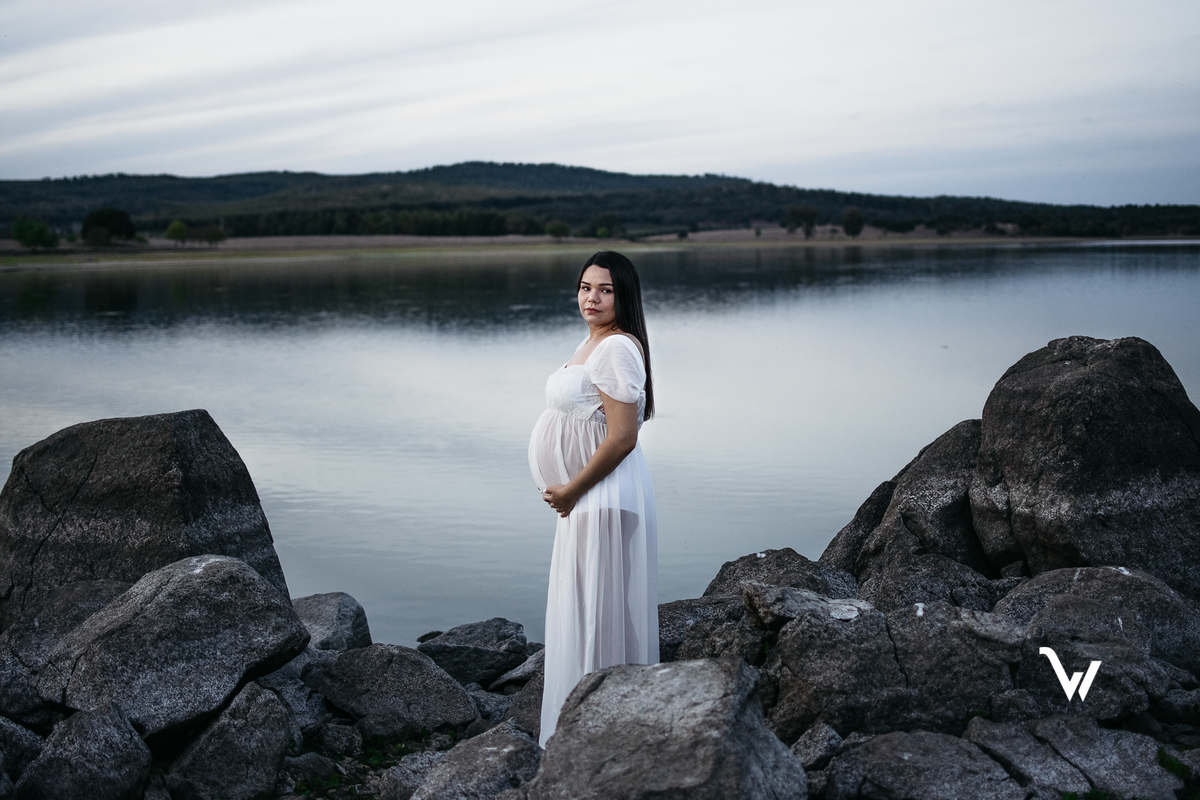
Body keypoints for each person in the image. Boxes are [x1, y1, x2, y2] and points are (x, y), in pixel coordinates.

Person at [528, 250, 659, 747]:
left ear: (624, 295)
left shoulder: (618, 348)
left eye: (605, 289)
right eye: (585, 287)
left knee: (600, 609)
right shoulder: (592, 343)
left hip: (602, 494)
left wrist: (572, 489)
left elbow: (624, 437)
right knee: (589, 605)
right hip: (588, 496)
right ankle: (591, 727)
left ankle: (607, 734)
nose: (592, 297)